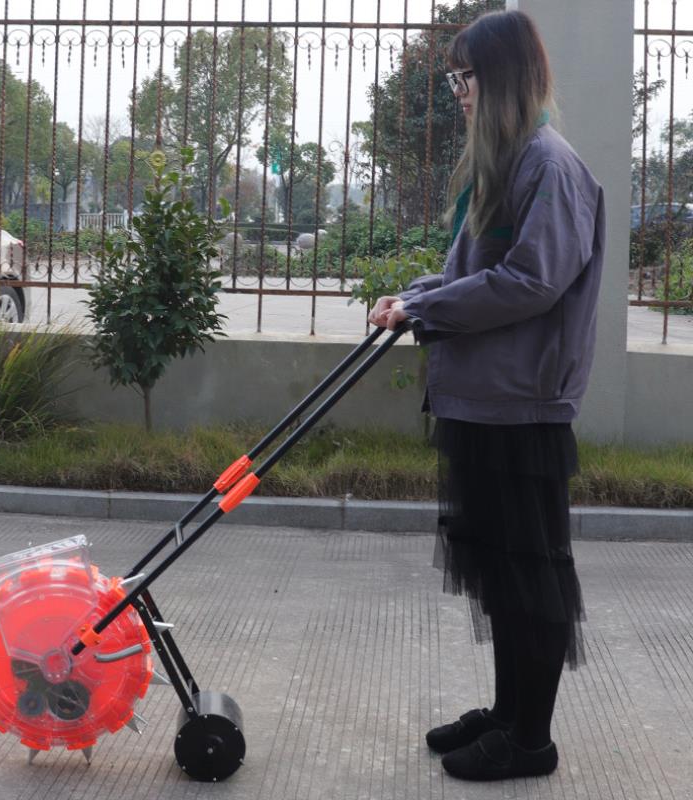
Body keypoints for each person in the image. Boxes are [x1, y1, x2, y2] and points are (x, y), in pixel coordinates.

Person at [369, 9, 604, 782]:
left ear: (504, 77)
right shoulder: (505, 166)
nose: (460, 91)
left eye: (468, 77)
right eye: (455, 79)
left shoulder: (551, 167)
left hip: (521, 407)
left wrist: (428, 309)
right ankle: (507, 714)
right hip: (483, 401)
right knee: (504, 574)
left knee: (529, 575)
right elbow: (474, 273)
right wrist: (413, 297)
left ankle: (530, 740)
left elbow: (531, 282)